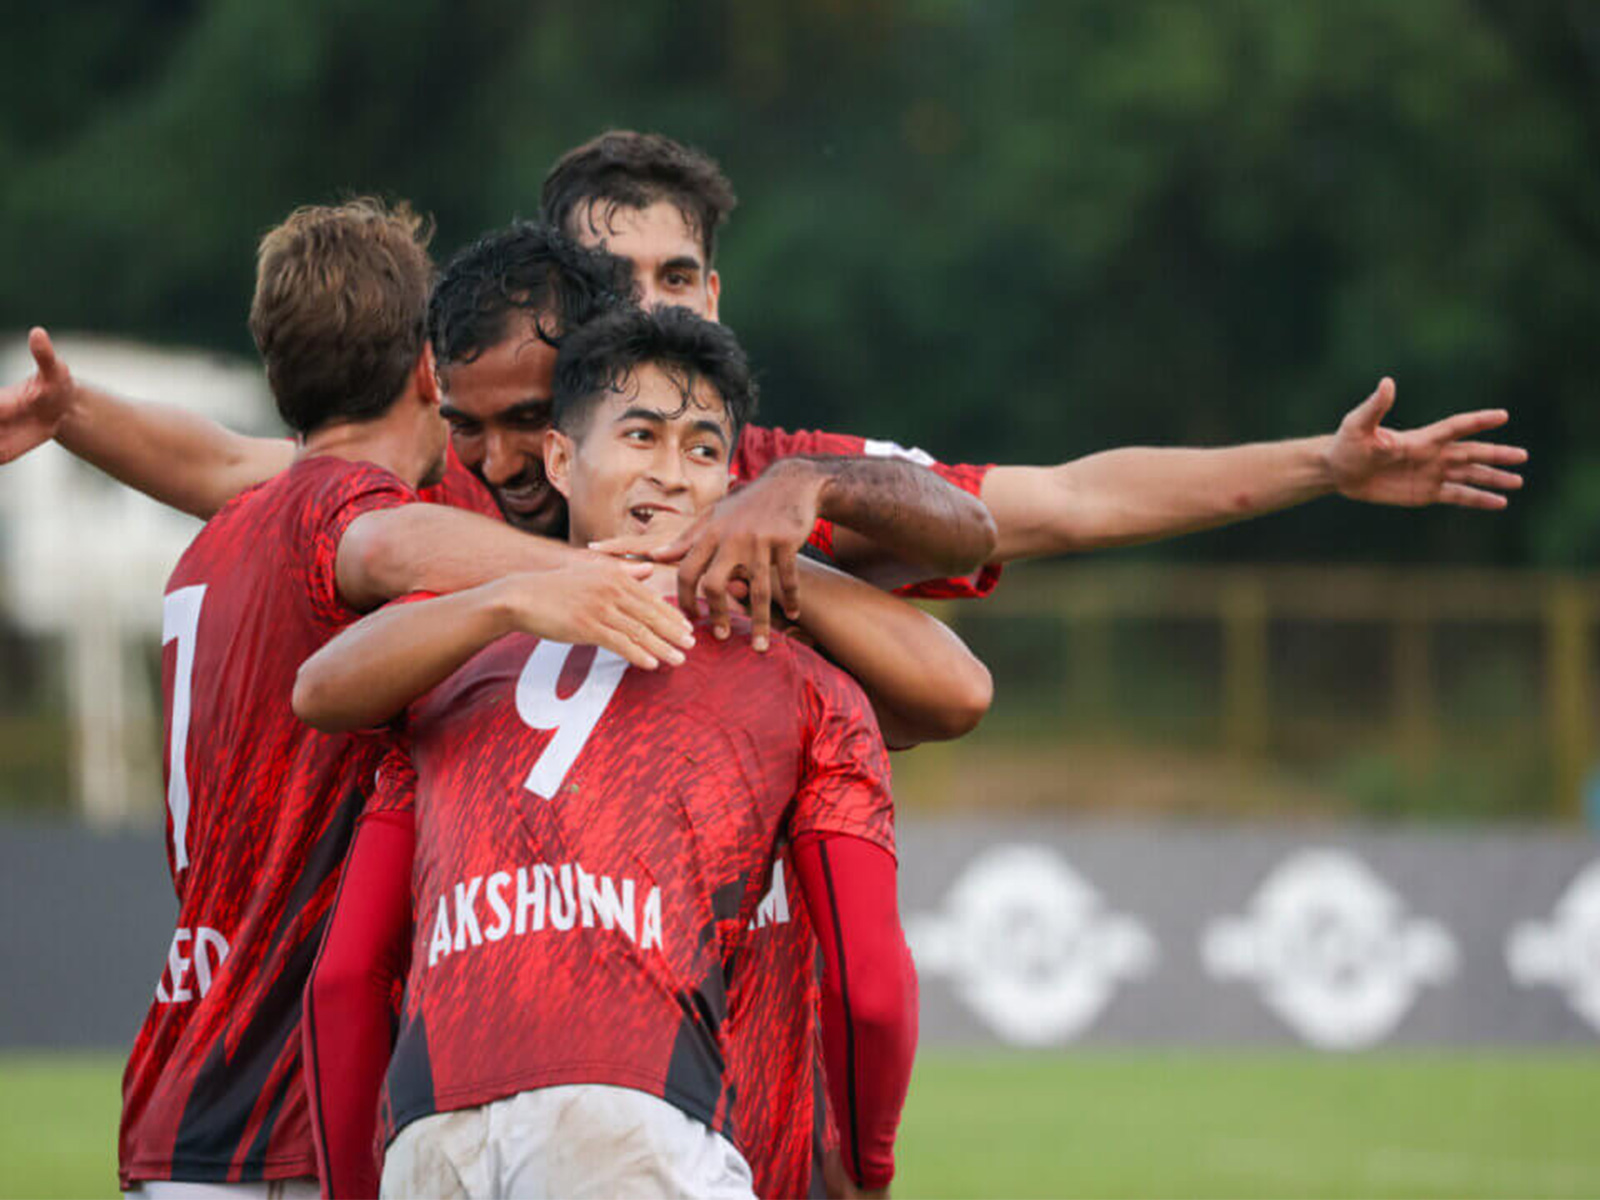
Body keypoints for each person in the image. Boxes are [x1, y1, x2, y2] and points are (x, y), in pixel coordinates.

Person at [117, 200, 700, 1197]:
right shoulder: (346, 510)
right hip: (287, 1109)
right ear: (431, 370)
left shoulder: (218, 538)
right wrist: (587, 575)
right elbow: (384, 543)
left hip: (182, 1084)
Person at [294, 305, 921, 1198]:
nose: (670, 474)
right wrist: (865, 1168)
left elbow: (348, 977)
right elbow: (869, 990)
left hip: (430, 1136)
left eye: (703, 451)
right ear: (560, 458)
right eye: (641, 436)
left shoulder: (444, 657)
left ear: (731, 484)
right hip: (636, 1127)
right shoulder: (803, 681)